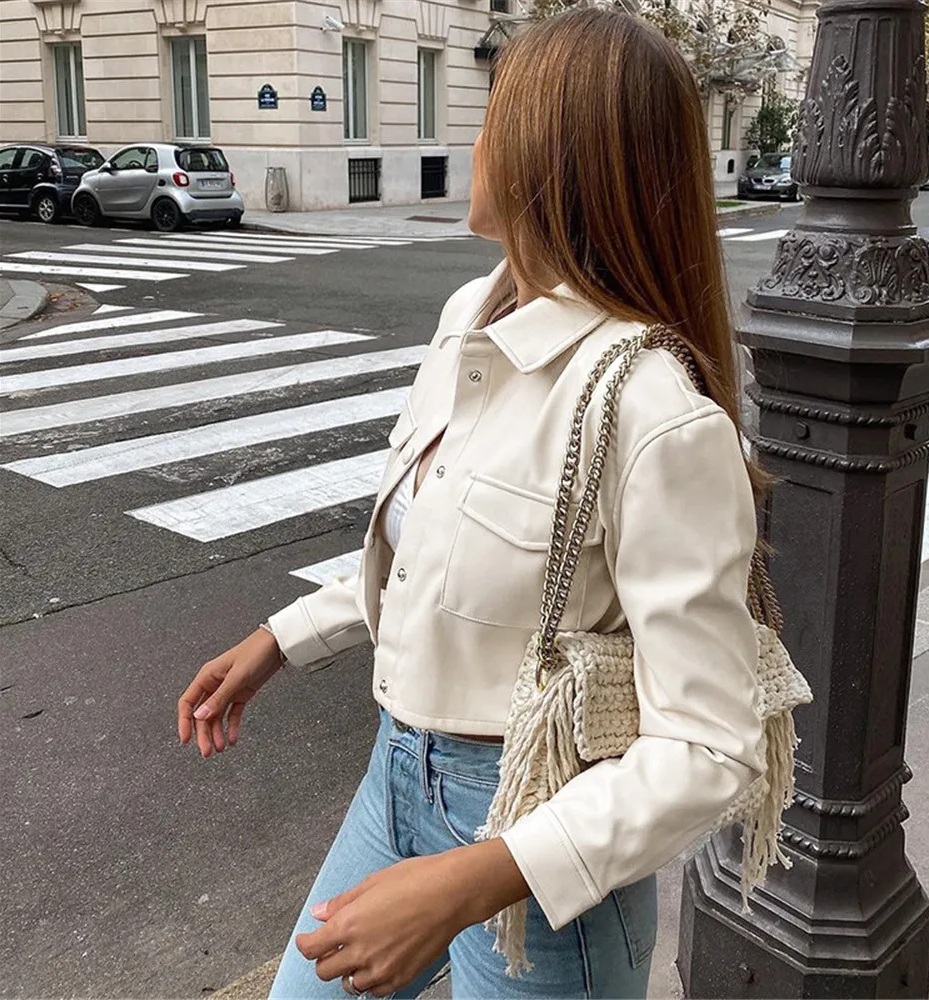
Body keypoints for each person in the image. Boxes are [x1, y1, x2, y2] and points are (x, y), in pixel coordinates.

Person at [177, 8, 768, 999]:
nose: (475, 138)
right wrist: (282, 637)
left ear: (553, 154)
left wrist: (470, 881)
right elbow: (433, 550)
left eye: (494, 115)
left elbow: (711, 747)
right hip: (395, 776)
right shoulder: (471, 316)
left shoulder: (653, 412)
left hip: (541, 848)